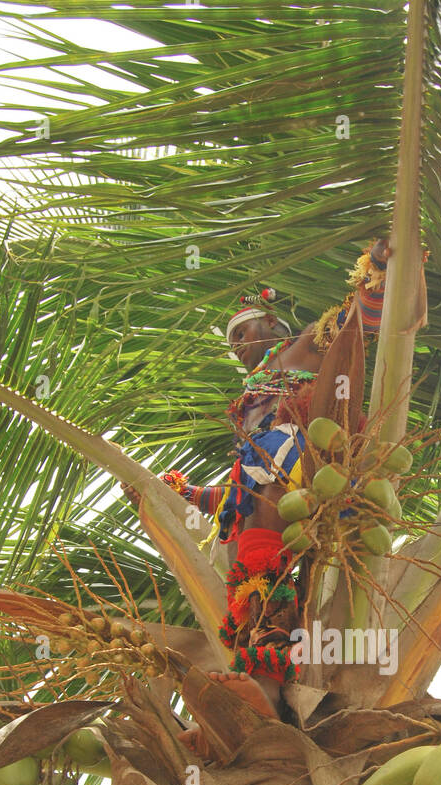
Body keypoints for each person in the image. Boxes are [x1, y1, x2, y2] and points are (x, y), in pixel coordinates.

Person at [124, 238, 391, 718]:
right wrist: (174, 495)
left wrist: (379, 268)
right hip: (270, 483)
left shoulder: (304, 347)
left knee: (262, 555)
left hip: (302, 469)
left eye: (240, 336)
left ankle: (266, 686)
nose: (237, 350)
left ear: (271, 323)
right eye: (232, 345)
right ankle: (263, 681)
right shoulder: (252, 404)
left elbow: (359, 324)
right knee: (251, 576)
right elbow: (234, 497)